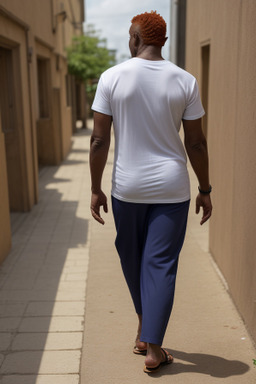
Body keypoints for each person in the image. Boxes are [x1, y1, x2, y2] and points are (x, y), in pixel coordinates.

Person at [89, 11, 212, 374]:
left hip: (127, 188)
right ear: (163, 41)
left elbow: (98, 139)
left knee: (133, 257)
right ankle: (150, 339)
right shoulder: (184, 80)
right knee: (158, 265)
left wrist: (96, 189)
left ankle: (150, 340)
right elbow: (197, 143)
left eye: (131, 35)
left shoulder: (112, 77)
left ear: (136, 38)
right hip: (172, 189)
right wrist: (205, 188)